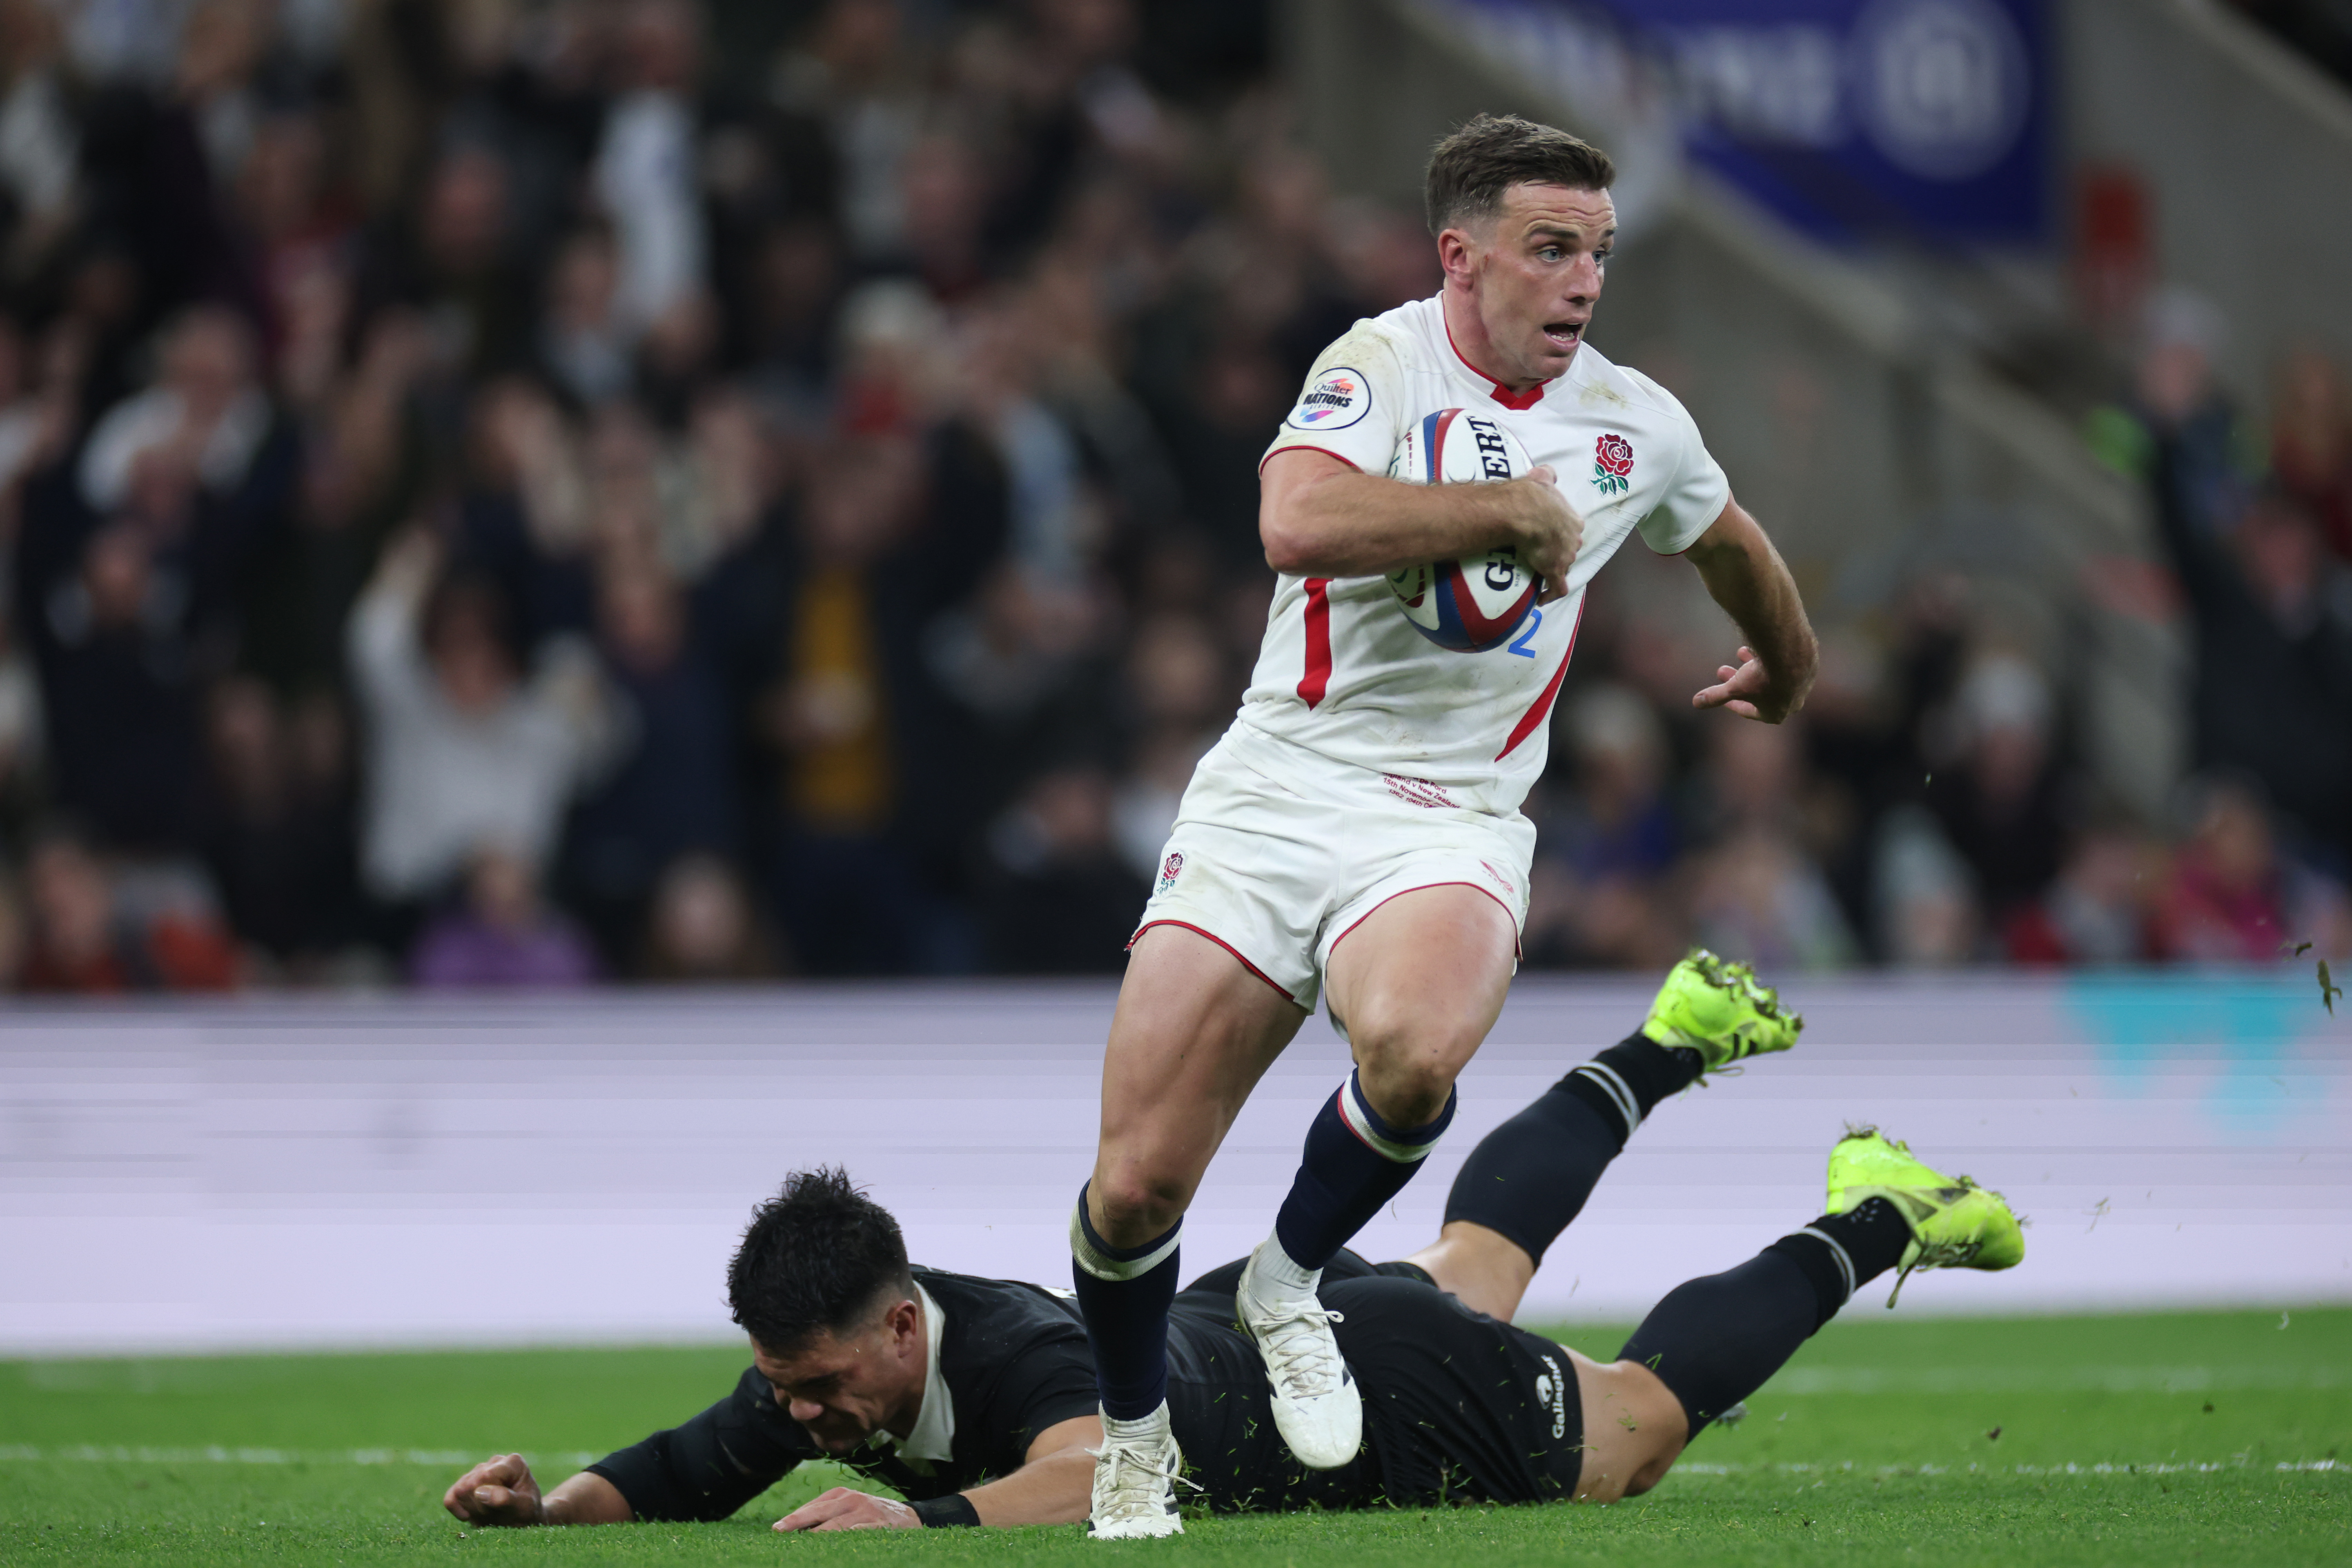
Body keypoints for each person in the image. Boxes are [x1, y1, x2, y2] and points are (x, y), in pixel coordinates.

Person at [1070, 114, 1818, 1534]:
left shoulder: (1633, 425)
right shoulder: (1378, 361)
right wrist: (1493, 514)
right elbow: (1293, 522)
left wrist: (1789, 663)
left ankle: (1289, 1281)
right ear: (1460, 259)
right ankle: (1131, 1437)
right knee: (1133, 1190)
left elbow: (1729, 542)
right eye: (1551, 250)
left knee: (1413, 1057)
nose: (1584, 281)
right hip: (1279, 786)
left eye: (1598, 251)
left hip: (1455, 813)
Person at [441, 957, 2023, 1531]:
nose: (798, 1416)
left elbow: (1102, 1471)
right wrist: (547, 1508)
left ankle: (1881, 1207)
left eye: (817, 1386)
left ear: (904, 1326)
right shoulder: (823, 1383)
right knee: (1475, 1261)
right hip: (1282, 1326)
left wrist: (918, 1530)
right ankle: (1671, 1040)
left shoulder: (1019, 1351)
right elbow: (679, 1468)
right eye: (784, 1390)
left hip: (1365, 1389)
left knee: (1633, 1431)